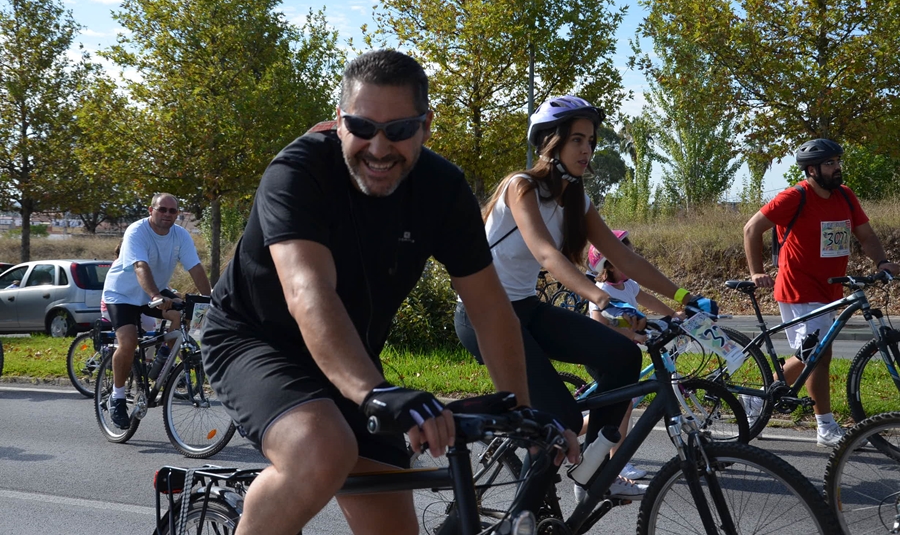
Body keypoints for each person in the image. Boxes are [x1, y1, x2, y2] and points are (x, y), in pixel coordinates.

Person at [200, 49, 577, 535]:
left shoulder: (441, 189)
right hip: (256, 342)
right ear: (339, 121)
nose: (378, 148)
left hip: (352, 357)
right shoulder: (296, 173)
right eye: (361, 127)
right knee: (322, 449)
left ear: (425, 126)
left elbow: (489, 308)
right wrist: (374, 392)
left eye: (398, 130)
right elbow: (308, 293)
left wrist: (523, 415)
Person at [454, 95, 716, 502]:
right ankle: (526, 514)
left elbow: (623, 255)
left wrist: (685, 295)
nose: (586, 149)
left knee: (623, 357)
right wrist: (602, 297)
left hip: (525, 308)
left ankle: (593, 469)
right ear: (549, 143)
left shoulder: (577, 199)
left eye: (591, 141)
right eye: (576, 139)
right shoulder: (520, 186)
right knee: (560, 420)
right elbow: (545, 252)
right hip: (484, 315)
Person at [743, 138, 900, 447]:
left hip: (831, 287)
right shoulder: (794, 197)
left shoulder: (845, 196)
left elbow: (865, 235)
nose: (837, 168)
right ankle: (767, 402)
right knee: (815, 353)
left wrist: (881, 260)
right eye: (830, 163)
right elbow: (751, 229)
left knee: (820, 356)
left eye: (838, 161)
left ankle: (821, 425)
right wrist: (756, 271)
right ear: (811, 170)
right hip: (799, 286)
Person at [102, 193, 211, 429]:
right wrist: (155, 296)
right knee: (129, 342)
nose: (167, 215)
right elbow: (140, 266)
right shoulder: (137, 231)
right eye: (162, 209)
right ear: (151, 210)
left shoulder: (180, 235)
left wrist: (210, 298)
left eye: (173, 211)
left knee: (181, 317)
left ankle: (163, 362)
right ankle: (117, 396)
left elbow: (195, 267)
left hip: (155, 292)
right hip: (123, 294)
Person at [585, 230, 683, 481]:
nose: (630, 259)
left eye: (630, 254)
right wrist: (632, 335)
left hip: (623, 355)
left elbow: (648, 299)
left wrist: (673, 314)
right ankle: (617, 462)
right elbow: (600, 324)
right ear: (608, 265)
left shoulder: (629, 284)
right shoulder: (601, 290)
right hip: (602, 355)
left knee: (613, 409)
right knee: (623, 406)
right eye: (624, 256)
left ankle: (568, 428)